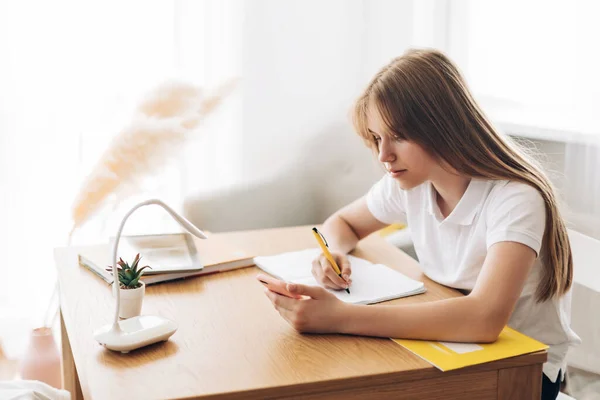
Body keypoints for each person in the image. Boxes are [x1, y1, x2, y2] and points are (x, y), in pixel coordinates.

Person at [263, 49, 580, 400]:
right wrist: (334, 252)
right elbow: (341, 223)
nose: (384, 156)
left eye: (397, 136)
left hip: (520, 373)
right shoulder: (413, 182)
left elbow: (485, 319)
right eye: (377, 138)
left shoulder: (514, 198)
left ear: (443, 126)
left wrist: (340, 316)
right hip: (449, 347)